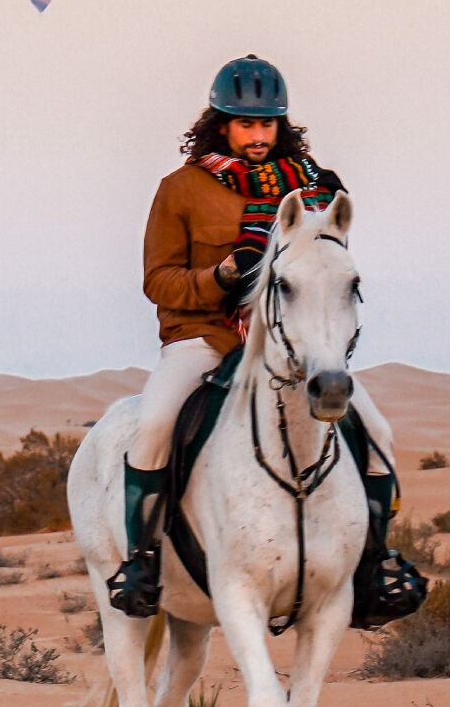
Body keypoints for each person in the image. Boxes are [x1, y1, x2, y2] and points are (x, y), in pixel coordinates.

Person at [107, 56, 409, 619]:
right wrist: (220, 276)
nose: (258, 136)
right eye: (246, 124)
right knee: (152, 426)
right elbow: (158, 280)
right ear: (220, 123)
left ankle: (375, 566)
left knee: (379, 434)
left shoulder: (311, 185)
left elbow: (327, 266)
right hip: (204, 339)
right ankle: (142, 561)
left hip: (292, 350)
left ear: (282, 125)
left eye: (267, 124)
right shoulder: (182, 190)